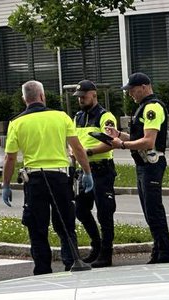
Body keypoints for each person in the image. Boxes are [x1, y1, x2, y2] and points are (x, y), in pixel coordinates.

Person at [2, 80, 93, 275]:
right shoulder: (61, 117)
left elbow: (10, 158)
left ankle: (42, 270)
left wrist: (6, 184)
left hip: (34, 180)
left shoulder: (16, 123)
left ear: (24, 99)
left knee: (37, 228)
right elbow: (77, 148)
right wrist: (87, 172)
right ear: (43, 96)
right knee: (66, 224)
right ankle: (72, 263)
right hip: (60, 178)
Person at [105, 72, 169, 264]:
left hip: (151, 163)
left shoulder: (152, 108)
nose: (130, 94)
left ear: (144, 87)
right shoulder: (143, 108)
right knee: (148, 210)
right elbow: (138, 138)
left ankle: (164, 253)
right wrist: (118, 134)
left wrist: (121, 144)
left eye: (132, 90)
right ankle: (159, 250)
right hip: (143, 164)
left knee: (153, 210)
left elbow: (148, 142)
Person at [72, 79, 118, 267]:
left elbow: (109, 141)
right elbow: (74, 140)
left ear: (94, 95)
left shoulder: (105, 116)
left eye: (84, 96)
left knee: (105, 213)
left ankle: (106, 254)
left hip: (101, 169)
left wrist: (87, 152)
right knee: (81, 210)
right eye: (78, 97)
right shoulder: (78, 117)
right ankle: (96, 246)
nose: (81, 99)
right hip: (84, 170)